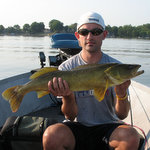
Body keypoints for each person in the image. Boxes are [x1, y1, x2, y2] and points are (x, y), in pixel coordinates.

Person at [42, 11, 140, 150]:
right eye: (84, 32)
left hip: (109, 126)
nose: (90, 36)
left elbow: (122, 115)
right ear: (78, 36)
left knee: (131, 136)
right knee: (51, 136)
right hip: (76, 126)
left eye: (96, 31)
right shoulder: (66, 68)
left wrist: (121, 94)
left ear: (104, 35)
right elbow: (70, 116)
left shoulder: (115, 67)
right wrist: (68, 96)